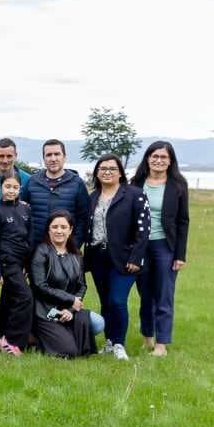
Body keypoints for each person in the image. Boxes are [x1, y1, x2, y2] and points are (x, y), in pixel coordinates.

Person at [85, 155, 149, 361]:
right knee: (105, 301)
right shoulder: (93, 197)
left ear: (120, 172)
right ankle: (110, 341)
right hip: (98, 257)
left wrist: (136, 257)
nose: (107, 172)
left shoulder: (134, 195)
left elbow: (143, 229)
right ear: (97, 173)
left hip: (124, 258)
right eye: (102, 168)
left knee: (117, 300)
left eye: (112, 168)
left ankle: (120, 343)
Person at [131, 141, 190, 357]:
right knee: (145, 294)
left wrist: (180, 255)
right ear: (147, 158)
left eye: (163, 157)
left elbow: (183, 221)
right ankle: (147, 337)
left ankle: (161, 344)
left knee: (164, 294)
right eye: (154, 156)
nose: (158, 160)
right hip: (140, 246)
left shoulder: (178, 185)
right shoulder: (135, 183)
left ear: (170, 161)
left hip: (165, 246)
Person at [30, 210, 103, 358]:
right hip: (45, 310)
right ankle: (36, 337)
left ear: (70, 230)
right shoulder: (41, 251)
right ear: (48, 229)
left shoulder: (76, 255)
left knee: (98, 322)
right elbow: (40, 286)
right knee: (69, 352)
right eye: (55, 227)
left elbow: (82, 285)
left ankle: (62, 333)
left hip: (68, 309)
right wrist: (70, 299)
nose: (59, 231)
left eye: (63, 227)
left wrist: (70, 309)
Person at [0, 170, 33, 356]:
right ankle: (12, 340)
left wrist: (27, 263)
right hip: (7, 264)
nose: (11, 190)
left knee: (8, 301)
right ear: (0, 188)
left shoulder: (25, 209)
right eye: (7, 186)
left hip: (21, 263)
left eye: (15, 187)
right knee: (25, 298)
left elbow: (27, 237)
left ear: (20, 189)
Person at [20, 139, 90, 247]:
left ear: (64, 157)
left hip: (66, 249)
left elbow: (83, 217)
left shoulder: (77, 183)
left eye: (57, 154)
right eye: (48, 155)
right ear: (44, 158)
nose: (53, 159)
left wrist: (75, 244)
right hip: (35, 249)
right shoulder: (32, 181)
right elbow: (21, 212)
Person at [0, 138, 31, 207]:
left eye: (9, 156)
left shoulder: (27, 179)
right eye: (1, 156)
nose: (5, 161)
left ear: (15, 156)